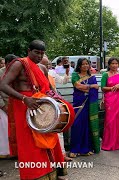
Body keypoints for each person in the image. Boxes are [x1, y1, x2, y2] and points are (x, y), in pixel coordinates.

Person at [0, 40, 66, 179]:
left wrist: (58, 101)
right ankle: (34, 175)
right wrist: (25, 99)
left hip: (42, 107)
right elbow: (3, 85)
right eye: (36, 52)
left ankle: (52, 173)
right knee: (30, 144)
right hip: (23, 106)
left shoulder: (42, 68)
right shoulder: (19, 64)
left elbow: (48, 89)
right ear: (29, 51)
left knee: (49, 138)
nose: (39, 56)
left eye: (42, 53)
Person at [40, 55, 72, 162]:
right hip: (42, 105)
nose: (46, 66)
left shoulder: (52, 73)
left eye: (47, 64)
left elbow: (63, 81)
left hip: (54, 103)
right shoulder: (35, 74)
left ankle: (62, 154)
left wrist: (67, 72)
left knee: (59, 130)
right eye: (44, 64)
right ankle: (48, 157)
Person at [69, 58, 100, 157]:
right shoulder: (75, 75)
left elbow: (96, 89)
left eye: (87, 64)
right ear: (79, 66)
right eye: (83, 64)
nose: (85, 66)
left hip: (88, 104)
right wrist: (91, 87)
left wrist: (87, 88)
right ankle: (74, 149)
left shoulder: (91, 77)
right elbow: (78, 86)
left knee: (87, 125)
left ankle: (85, 149)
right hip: (79, 103)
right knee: (77, 124)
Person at [101, 57, 119, 150]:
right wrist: (114, 87)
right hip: (110, 100)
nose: (114, 65)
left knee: (118, 120)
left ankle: (118, 143)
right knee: (110, 121)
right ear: (109, 65)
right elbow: (102, 88)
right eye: (112, 63)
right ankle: (108, 143)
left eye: (116, 64)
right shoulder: (105, 75)